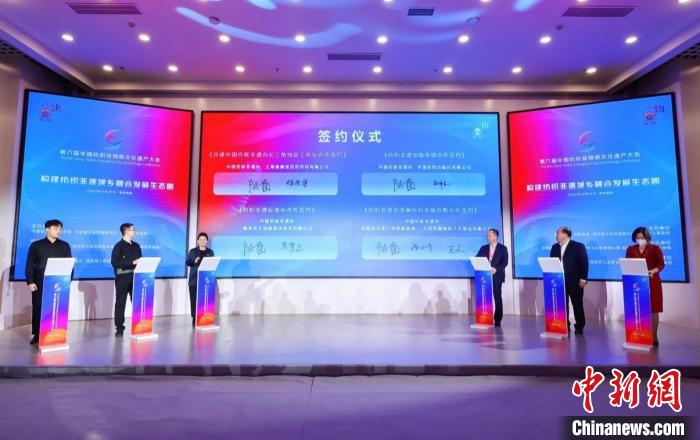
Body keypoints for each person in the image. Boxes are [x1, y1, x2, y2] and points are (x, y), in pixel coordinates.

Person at [24, 219, 72, 345]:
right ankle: (37, 334)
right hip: (40, 281)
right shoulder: (36, 245)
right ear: (47, 229)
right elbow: (29, 264)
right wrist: (30, 281)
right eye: (55, 228)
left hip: (59, 282)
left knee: (57, 308)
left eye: (60, 229)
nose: (59, 231)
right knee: (38, 308)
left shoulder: (65, 246)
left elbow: (69, 264)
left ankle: (56, 334)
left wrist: (68, 281)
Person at [625, 226, 665, 346]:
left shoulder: (655, 248)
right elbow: (627, 263)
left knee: (653, 309)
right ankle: (640, 334)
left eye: (642, 237)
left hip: (652, 281)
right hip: (636, 282)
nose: (640, 239)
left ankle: (654, 336)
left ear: (647, 237)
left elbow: (661, 264)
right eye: (637, 237)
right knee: (638, 308)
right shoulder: (631, 249)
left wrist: (654, 270)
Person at [550, 226, 589, 335]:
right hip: (559, 281)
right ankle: (565, 324)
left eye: (557, 233)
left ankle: (579, 326)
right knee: (562, 304)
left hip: (575, 280)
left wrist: (584, 278)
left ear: (565, 234)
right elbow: (552, 262)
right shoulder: (554, 247)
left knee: (577, 304)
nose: (556, 236)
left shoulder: (578, 246)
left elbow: (584, 263)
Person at [110, 223, 142, 337]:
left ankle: (139, 324)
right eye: (133, 229)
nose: (135, 231)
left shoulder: (136, 246)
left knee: (137, 302)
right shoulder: (118, 246)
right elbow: (115, 263)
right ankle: (119, 328)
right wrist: (131, 262)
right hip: (122, 279)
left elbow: (140, 261)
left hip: (136, 278)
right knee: (121, 303)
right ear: (126, 231)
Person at [475, 228, 509, 327]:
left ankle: (497, 319)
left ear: (495, 236)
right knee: (484, 297)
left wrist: (496, 269)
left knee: (497, 297)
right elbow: (477, 258)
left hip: (496, 276)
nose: (488, 237)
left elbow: (505, 262)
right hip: (484, 277)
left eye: (489, 235)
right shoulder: (483, 248)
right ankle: (485, 317)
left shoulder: (503, 248)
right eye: (487, 235)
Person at [186, 232, 215, 327]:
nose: (202, 241)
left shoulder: (210, 252)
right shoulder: (193, 251)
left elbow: (213, 263)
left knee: (204, 299)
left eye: (204, 240)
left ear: (207, 241)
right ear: (198, 241)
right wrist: (194, 261)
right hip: (194, 279)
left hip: (206, 280)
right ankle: (194, 317)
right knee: (194, 300)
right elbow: (188, 262)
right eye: (201, 240)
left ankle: (205, 317)